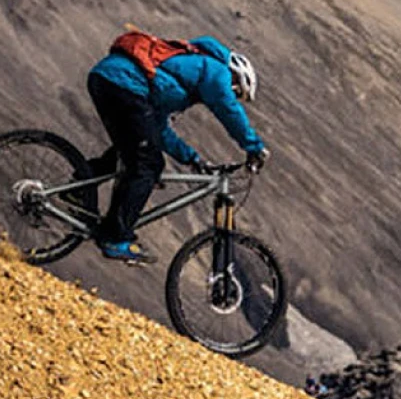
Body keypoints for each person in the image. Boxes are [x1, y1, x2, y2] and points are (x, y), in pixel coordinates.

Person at [86, 34, 268, 264]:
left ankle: (81, 184)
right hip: (123, 85)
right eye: (235, 90)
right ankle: (115, 237)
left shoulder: (181, 76)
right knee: (148, 165)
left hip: (107, 80)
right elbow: (227, 108)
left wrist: (191, 158)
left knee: (133, 150)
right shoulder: (215, 70)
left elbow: (158, 127)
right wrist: (254, 147)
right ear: (235, 78)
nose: (232, 94)